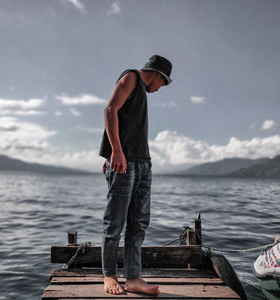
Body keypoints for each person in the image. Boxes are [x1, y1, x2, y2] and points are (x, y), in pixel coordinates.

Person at [99, 55, 172, 295]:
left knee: (138, 224)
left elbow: (125, 121)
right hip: (125, 161)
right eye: (163, 83)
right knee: (115, 222)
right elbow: (110, 110)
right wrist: (116, 153)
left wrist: (110, 154)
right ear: (158, 74)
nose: (160, 89)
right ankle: (109, 275)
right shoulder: (131, 77)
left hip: (143, 163)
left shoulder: (141, 91)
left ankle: (133, 278)